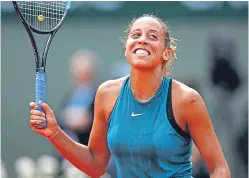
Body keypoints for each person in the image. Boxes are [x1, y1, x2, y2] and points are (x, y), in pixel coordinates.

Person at [29, 14, 231, 178]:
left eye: (152, 36)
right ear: (126, 49)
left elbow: (219, 169)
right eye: (135, 35)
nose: (142, 39)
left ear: (166, 53)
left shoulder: (187, 100)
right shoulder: (106, 94)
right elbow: (95, 164)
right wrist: (55, 133)